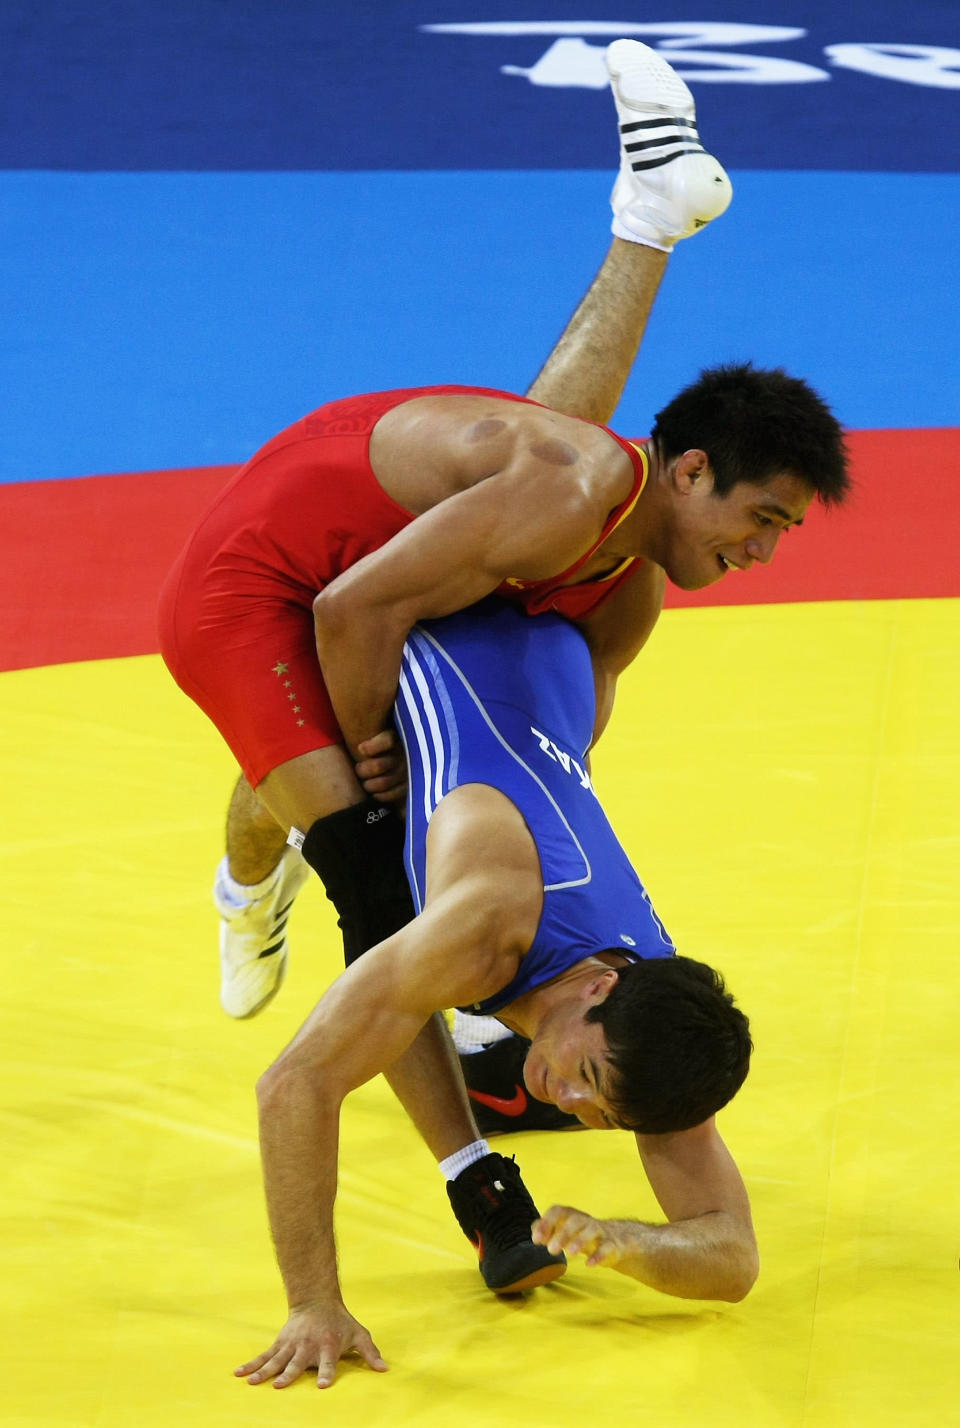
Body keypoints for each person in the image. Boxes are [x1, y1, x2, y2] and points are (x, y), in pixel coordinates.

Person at [158, 40, 849, 1301]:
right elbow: (356, 611)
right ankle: (480, 1192)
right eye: (760, 523)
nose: (759, 556)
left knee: (556, 478)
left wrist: (637, 1236)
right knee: (368, 864)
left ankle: (649, 213)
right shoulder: (574, 508)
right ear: (697, 473)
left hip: (415, 542)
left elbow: (569, 731)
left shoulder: (623, 577)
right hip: (267, 580)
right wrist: (371, 758)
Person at [234, 596, 757, 1391]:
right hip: (380, 631)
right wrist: (314, 1304)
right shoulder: (483, 926)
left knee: (401, 975)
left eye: (602, 1115)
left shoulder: (651, 1024)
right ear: (598, 988)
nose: (574, 1105)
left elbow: (733, 1257)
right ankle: (247, 892)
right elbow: (294, 1085)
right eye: (591, 1083)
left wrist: (624, 1238)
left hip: (550, 679)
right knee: (316, 823)